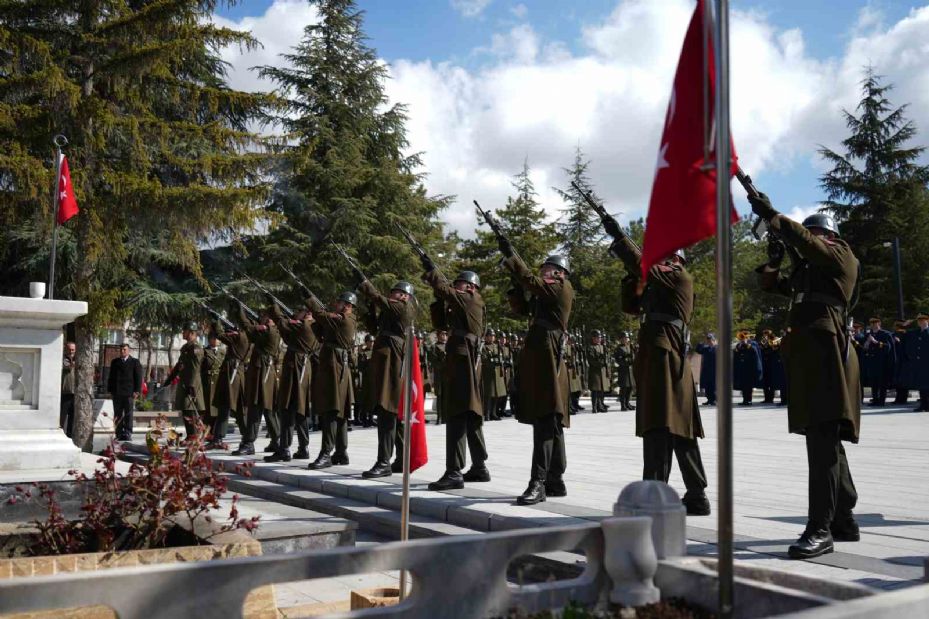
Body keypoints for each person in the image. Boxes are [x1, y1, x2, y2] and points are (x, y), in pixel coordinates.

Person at [750, 194, 861, 560]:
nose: (813, 237)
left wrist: (773, 215)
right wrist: (774, 259)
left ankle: (821, 529)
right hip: (809, 356)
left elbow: (809, 245)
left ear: (831, 237)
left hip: (830, 354)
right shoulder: (809, 273)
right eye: (810, 232)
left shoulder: (842, 256)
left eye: (818, 233)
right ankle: (843, 516)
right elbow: (771, 286)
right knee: (823, 436)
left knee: (822, 439)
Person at [604, 216, 710, 517]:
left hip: (667, 359)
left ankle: (653, 493)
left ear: (676, 260)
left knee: (660, 426)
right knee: (677, 427)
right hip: (657, 357)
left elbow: (645, 265)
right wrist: (630, 275)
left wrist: (620, 238)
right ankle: (696, 494)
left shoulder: (679, 277)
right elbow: (630, 305)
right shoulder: (658, 285)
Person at [499, 246, 574, 506]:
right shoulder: (544, 296)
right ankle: (555, 479)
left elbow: (532, 283)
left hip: (548, 357)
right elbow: (521, 308)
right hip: (539, 357)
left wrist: (514, 260)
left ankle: (538, 482)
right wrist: (514, 279)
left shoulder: (561, 288)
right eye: (541, 270)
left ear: (560, 273)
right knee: (551, 420)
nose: (542, 273)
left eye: (547, 270)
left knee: (545, 418)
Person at [423, 267, 490, 490]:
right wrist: (439, 296)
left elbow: (445, 291)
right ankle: (479, 467)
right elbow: (440, 324)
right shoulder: (461, 305)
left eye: (458, 284)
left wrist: (433, 273)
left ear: (470, 287)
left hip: (463, 360)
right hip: (461, 359)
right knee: (469, 413)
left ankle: (454, 471)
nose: (455, 287)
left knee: (457, 414)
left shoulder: (471, 299)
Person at [359, 279, 416, 479]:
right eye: (392, 291)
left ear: (405, 296)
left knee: (387, 411)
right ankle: (401, 458)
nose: (393, 294)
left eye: (397, 292)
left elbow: (379, 298)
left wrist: (366, 284)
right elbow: (374, 328)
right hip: (385, 362)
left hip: (393, 363)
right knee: (391, 413)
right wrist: (370, 309)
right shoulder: (390, 311)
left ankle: (384, 461)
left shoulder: (403, 308)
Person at [305, 291, 357, 469]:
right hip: (333, 365)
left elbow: (321, 316)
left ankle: (326, 453)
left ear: (348, 306)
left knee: (331, 410)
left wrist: (310, 300)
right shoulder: (337, 320)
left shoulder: (345, 320)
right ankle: (341, 452)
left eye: (340, 302)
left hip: (336, 367)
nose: (336, 304)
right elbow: (318, 328)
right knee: (339, 411)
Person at [265, 303, 317, 462]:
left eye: (299, 312)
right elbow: (286, 334)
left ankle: (285, 449)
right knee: (299, 410)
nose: (296, 315)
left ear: (307, 314)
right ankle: (303, 448)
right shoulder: (305, 327)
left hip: (296, 368)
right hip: (298, 367)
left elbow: (282, 323)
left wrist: (273, 306)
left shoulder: (305, 327)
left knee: (287, 408)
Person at [239, 303, 280, 455]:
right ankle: (276, 441)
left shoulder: (270, 332)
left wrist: (241, 313)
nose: (261, 318)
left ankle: (250, 442)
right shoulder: (267, 331)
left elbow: (250, 331)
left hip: (264, 374)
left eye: (263, 316)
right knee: (263, 409)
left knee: (260, 409)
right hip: (261, 374)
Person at [213, 314, 251, 452]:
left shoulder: (241, 337)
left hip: (233, 374)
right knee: (225, 406)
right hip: (232, 372)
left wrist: (215, 320)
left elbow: (219, 334)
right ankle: (218, 438)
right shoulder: (241, 336)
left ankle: (247, 438)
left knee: (236, 408)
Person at [164, 322, 205, 439]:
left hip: (192, 384)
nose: (183, 333)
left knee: (191, 410)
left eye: (185, 331)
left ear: (191, 333)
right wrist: (170, 379)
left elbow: (195, 368)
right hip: (185, 383)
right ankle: (190, 436)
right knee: (185, 410)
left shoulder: (196, 348)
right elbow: (179, 365)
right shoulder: (186, 347)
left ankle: (194, 436)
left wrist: (191, 385)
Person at [108, 343, 142, 441]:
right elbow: (111, 377)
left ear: (128, 350)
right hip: (117, 392)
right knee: (117, 414)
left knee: (128, 414)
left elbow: (138, 377)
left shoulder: (134, 362)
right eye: (121, 349)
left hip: (129, 392)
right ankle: (118, 433)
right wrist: (110, 390)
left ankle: (128, 432)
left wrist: (137, 391)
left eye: (124, 349)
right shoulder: (115, 362)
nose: (122, 351)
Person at [861, 317, 895, 406]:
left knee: (882, 383)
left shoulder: (885, 334)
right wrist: (868, 342)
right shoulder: (868, 334)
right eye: (871, 323)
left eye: (875, 322)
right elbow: (864, 348)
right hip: (872, 362)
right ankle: (875, 400)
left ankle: (881, 401)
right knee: (873, 382)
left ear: (879, 323)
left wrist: (876, 342)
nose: (872, 324)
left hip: (882, 362)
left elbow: (888, 347)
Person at [902, 314, 929, 412]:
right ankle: (923, 405)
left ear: (927, 321)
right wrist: (904, 325)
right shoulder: (915, 332)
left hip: (927, 364)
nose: (920, 322)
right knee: (922, 386)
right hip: (919, 364)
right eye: (919, 321)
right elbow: (901, 334)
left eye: (923, 320)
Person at [480, 329, 507, 421]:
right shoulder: (483, 347)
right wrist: (493, 360)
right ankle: (487, 414)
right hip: (488, 373)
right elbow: (484, 359)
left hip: (497, 372)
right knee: (488, 395)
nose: (492, 337)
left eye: (493, 336)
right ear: (486, 337)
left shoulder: (497, 346)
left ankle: (493, 413)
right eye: (490, 336)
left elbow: (501, 357)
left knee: (496, 394)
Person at [201, 334, 224, 438]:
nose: (216, 340)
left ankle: (214, 432)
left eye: (217, 338)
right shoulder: (204, 352)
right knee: (207, 409)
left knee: (217, 409)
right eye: (213, 338)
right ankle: (206, 432)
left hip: (219, 382)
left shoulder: (223, 352)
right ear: (209, 340)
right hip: (208, 382)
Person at [733, 330, 762, 406]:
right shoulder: (740, 345)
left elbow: (755, 352)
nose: (742, 338)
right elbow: (737, 354)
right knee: (743, 385)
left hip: (749, 368)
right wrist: (738, 347)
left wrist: (748, 345)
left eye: (744, 336)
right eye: (742, 337)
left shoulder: (753, 343)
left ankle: (749, 400)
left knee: (748, 385)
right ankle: (744, 400)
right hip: (742, 368)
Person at [586, 330, 610, 413]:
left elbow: (606, 357)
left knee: (601, 390)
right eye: (597, 337)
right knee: (595, 390)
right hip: (595, 371)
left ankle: (600, 405)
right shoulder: (590, 347)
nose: (599, 339)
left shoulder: (602, 346)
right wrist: (600, 362)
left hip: (602, 371)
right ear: (593, 338)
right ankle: (594, 407)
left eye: (599, 337)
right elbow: (591, 360)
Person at [428, 329, 448, 425]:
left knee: (447, 395)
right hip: (439, 374)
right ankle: (439, 417)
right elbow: (432, 359)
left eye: (445, 334)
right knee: (439, 395)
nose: (444, 336)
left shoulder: (449, 346)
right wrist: (442, 363)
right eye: (442, 334)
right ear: (438, 335)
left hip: (448, 374)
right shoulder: (434, 347)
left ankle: (445, 416)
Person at [759, 330, 786, 405]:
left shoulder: (775, 339)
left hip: (773, 363)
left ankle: (771, 398)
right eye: (765, 334)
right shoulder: (764, 340)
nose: (765, 336)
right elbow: (762, 349)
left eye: (767, 334)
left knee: (772, 382)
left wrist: (771, 344)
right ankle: (766, 398)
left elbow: (775, 349)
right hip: (766, 363)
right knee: (765, 382)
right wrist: (763, 344)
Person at [613, 332, 635, 411]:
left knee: (630, 388)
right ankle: (623, 405)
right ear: (621, 339)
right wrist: (626, 362)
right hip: (623, 370)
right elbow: (618, 360)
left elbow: (633, 357)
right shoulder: (618, 349)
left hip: (630, 370)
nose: (625, 339)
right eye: (624, 338)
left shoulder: (630, 347)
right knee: (624, 388)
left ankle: (627, 403)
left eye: (626, 338)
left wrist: (632, 359)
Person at [694, 334, 717, 406]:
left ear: (714, 340)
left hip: (715, 370)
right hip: (706, 370)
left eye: (710, 340)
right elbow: (698, 350)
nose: (709, 341)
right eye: (708, 340)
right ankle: (709, 400)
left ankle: (714, 400)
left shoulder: (718, 348)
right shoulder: (705, 348)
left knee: (714, 386)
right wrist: (701, 342)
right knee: (707, 386)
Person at [60, 341, 76, 438]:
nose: (71, 351)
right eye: (69, 349)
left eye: (73, 349)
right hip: (66, 391)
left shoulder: (78, 358)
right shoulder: (63, 358)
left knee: (72, 416)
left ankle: (70, 435)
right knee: (63, 415)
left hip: (75, 392)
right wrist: (73, 362)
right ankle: (61, 433)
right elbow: (68, 367)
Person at [892, 320, 910, 405]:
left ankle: (903, 398)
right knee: (898, 381)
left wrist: (899, 342)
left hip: (904, 360)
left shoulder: (905, 334)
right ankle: (899, 398)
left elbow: (907, 347)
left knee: (903, 381)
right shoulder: (895, 334)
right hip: (898, 360)